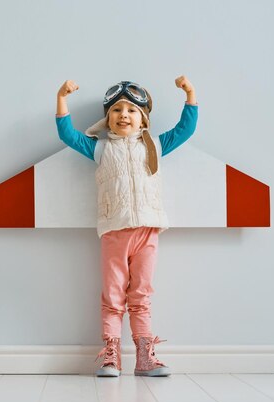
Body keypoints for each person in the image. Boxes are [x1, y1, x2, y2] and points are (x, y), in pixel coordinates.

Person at [55, 76, 198, 377]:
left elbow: (186, 130)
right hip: (115, 231)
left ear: (143, 119)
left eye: (132, 110)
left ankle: (145, 357)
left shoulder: (155, 145)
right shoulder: (100, 148)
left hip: (147, 231)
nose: (124, 115)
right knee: (113, 294)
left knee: (141, 295)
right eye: (117, 110)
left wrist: (190, 94)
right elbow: (68, 135)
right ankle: (111, 356)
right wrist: (62, 98)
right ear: (107, 119)